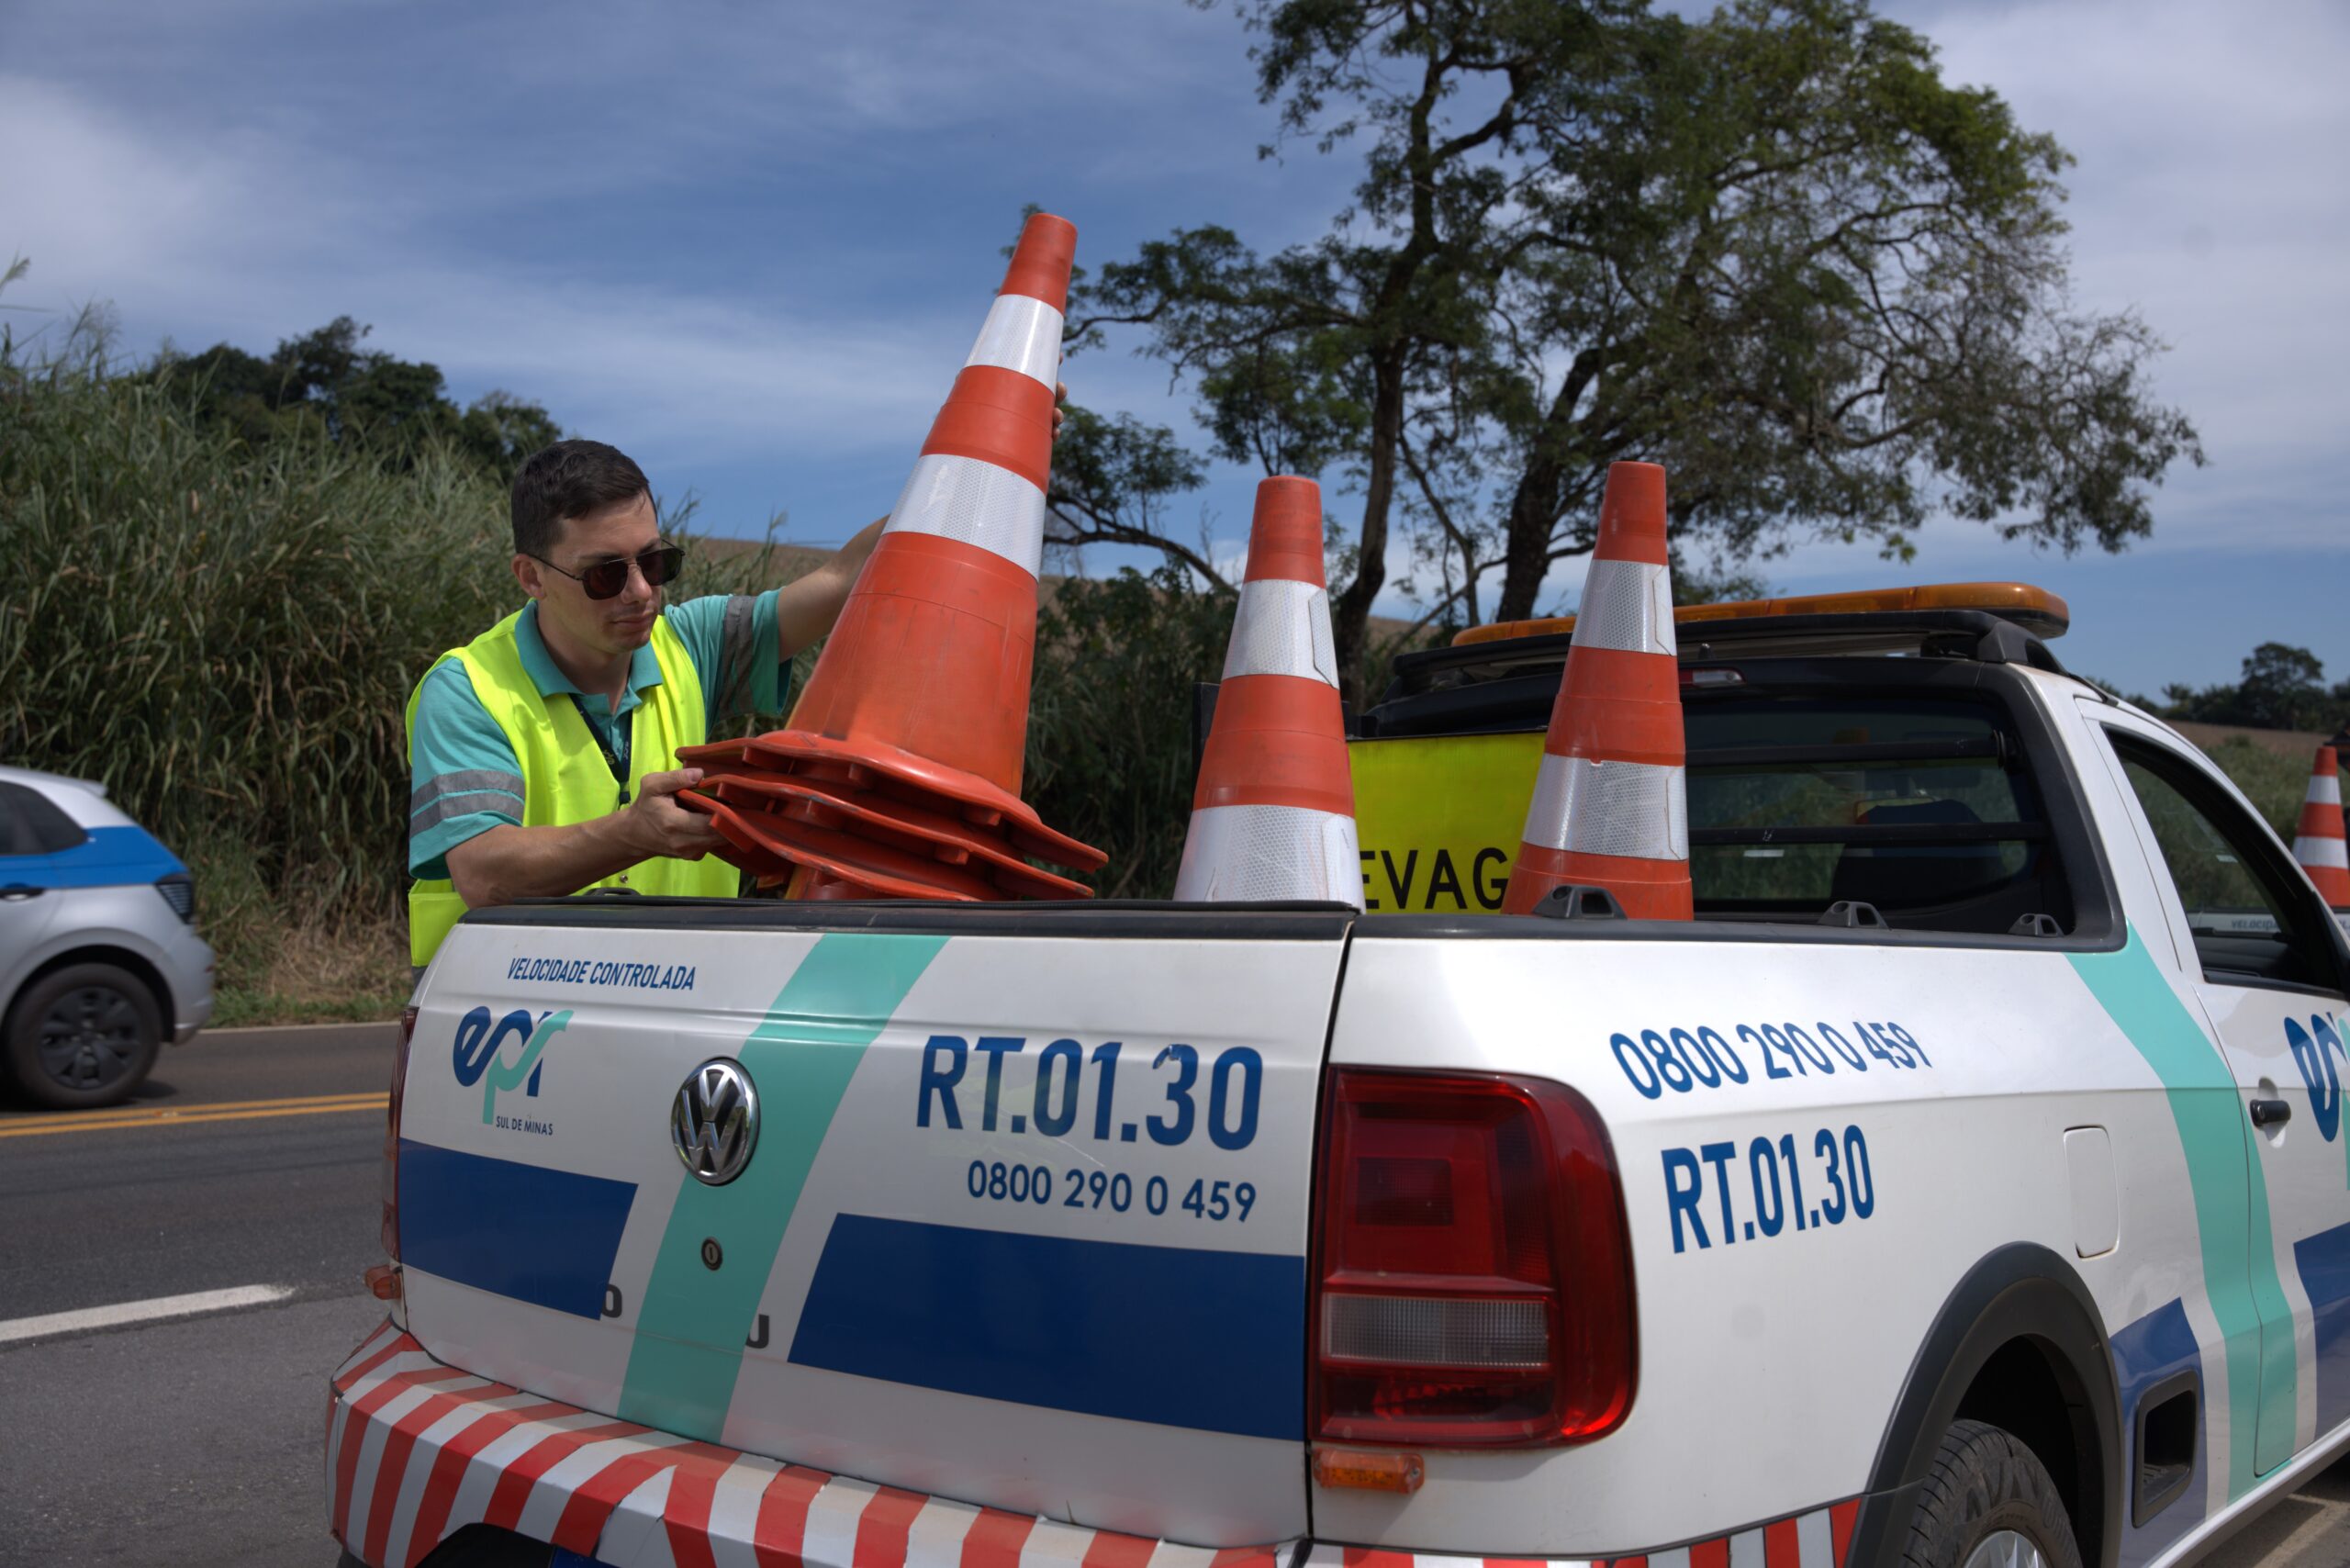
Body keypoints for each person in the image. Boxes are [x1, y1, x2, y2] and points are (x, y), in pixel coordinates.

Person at [403, 439, 879, 967]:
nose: (640, 592)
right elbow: (484, 875)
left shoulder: (694, 647)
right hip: (507, 1023)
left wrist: (961, 477)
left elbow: (842, 578)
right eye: (604, 574)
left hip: (676, 1007)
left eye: (654, 562)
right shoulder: (468, 689)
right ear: (531, 576)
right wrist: (632, 833)